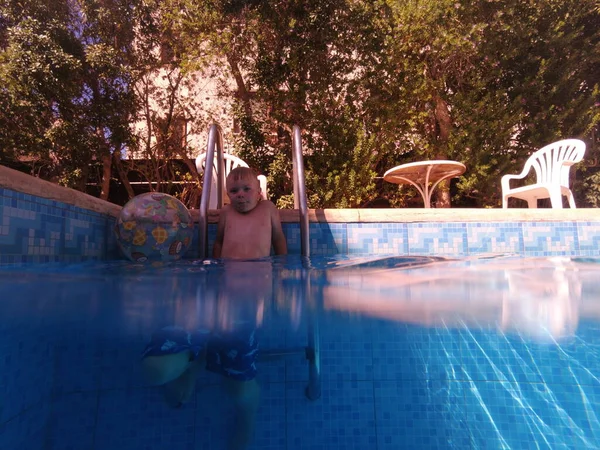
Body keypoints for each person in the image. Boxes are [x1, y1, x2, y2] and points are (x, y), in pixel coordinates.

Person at [141, 166, 287, 450]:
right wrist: (214, 269)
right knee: (157, 366)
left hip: (253, 288)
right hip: (222, 281)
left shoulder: (268, 208)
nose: (241, 195)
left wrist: (281, 270)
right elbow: (219, 242)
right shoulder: (227, 213)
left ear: (259, 191)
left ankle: (242, 411)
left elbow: (279, 238)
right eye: (234, 191)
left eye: (247, 190)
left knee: (237, 383)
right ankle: (193, 359)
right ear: (227, 195)